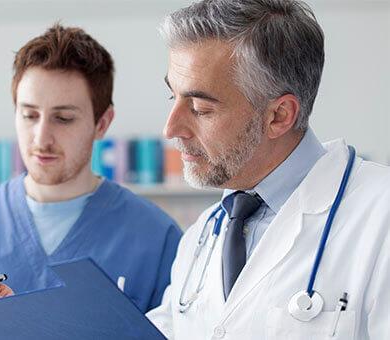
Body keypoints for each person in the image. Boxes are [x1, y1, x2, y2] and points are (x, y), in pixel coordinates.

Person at [0, 24, 182, 338]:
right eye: (29, 115)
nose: (41, 138)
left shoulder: (156, 236)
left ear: (102, 123)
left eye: (64, 118)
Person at [146, 0, 390, 339]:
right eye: (172, 97)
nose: (171, 129)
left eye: (200, 108)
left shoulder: (381, 217)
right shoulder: (201, 236)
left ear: (279, 116)